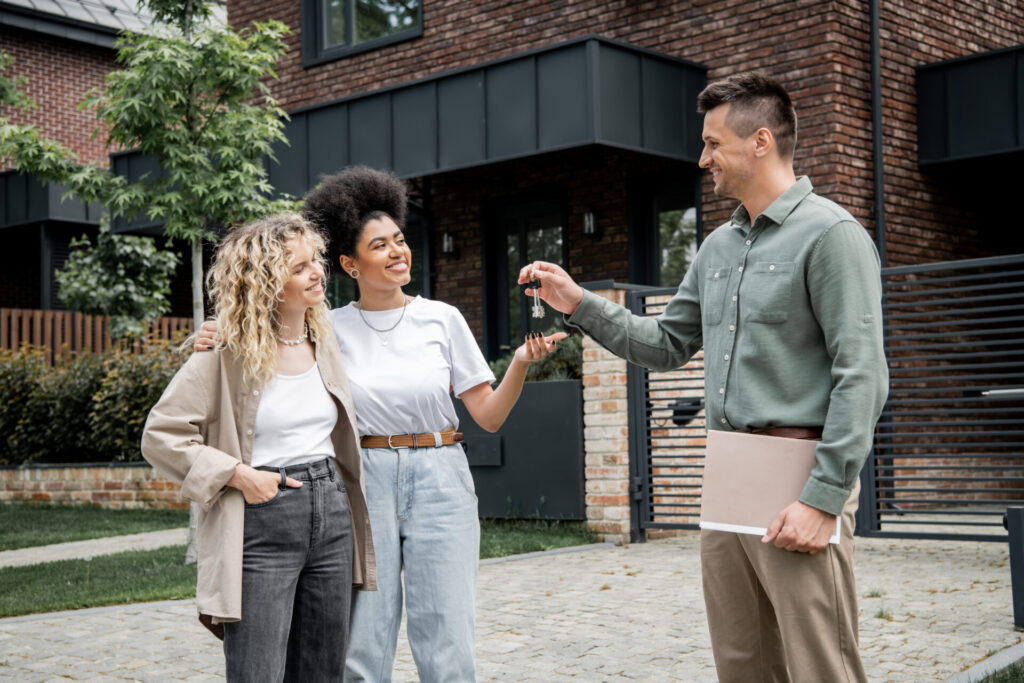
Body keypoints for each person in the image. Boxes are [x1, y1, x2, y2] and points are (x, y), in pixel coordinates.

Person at [519, 72, 888, 682]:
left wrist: (822, 500)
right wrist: (578, 301)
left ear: (761, 141)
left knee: (819, 661)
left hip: (798, 472)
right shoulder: (717, 247)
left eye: (713, 143)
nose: (703, 158)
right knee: (742, 660)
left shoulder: (832, 235)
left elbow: (862, 375)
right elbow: (666, 345)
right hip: (729, 472)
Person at [196, 166, 565, 682]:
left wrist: (522, 363)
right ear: (349, 262)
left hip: (441, 475)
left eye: (399, 240)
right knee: (363, 640)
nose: (397, 252)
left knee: (448, 634)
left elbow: (488, 414)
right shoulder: (325, 327)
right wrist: (215, 334)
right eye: (379, 246)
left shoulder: (443, 318)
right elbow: (263, 325)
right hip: (363, 481)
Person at [142, 214, 376, 682]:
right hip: (264, 515)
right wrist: (237, 475)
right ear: (266, 283)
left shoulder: (325, 336)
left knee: (321, 669)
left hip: (332, 510)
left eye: (315, 262)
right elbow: (160, 435)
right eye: (298, 268)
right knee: (258, 670)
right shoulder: (225, 351)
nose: (315, 274)